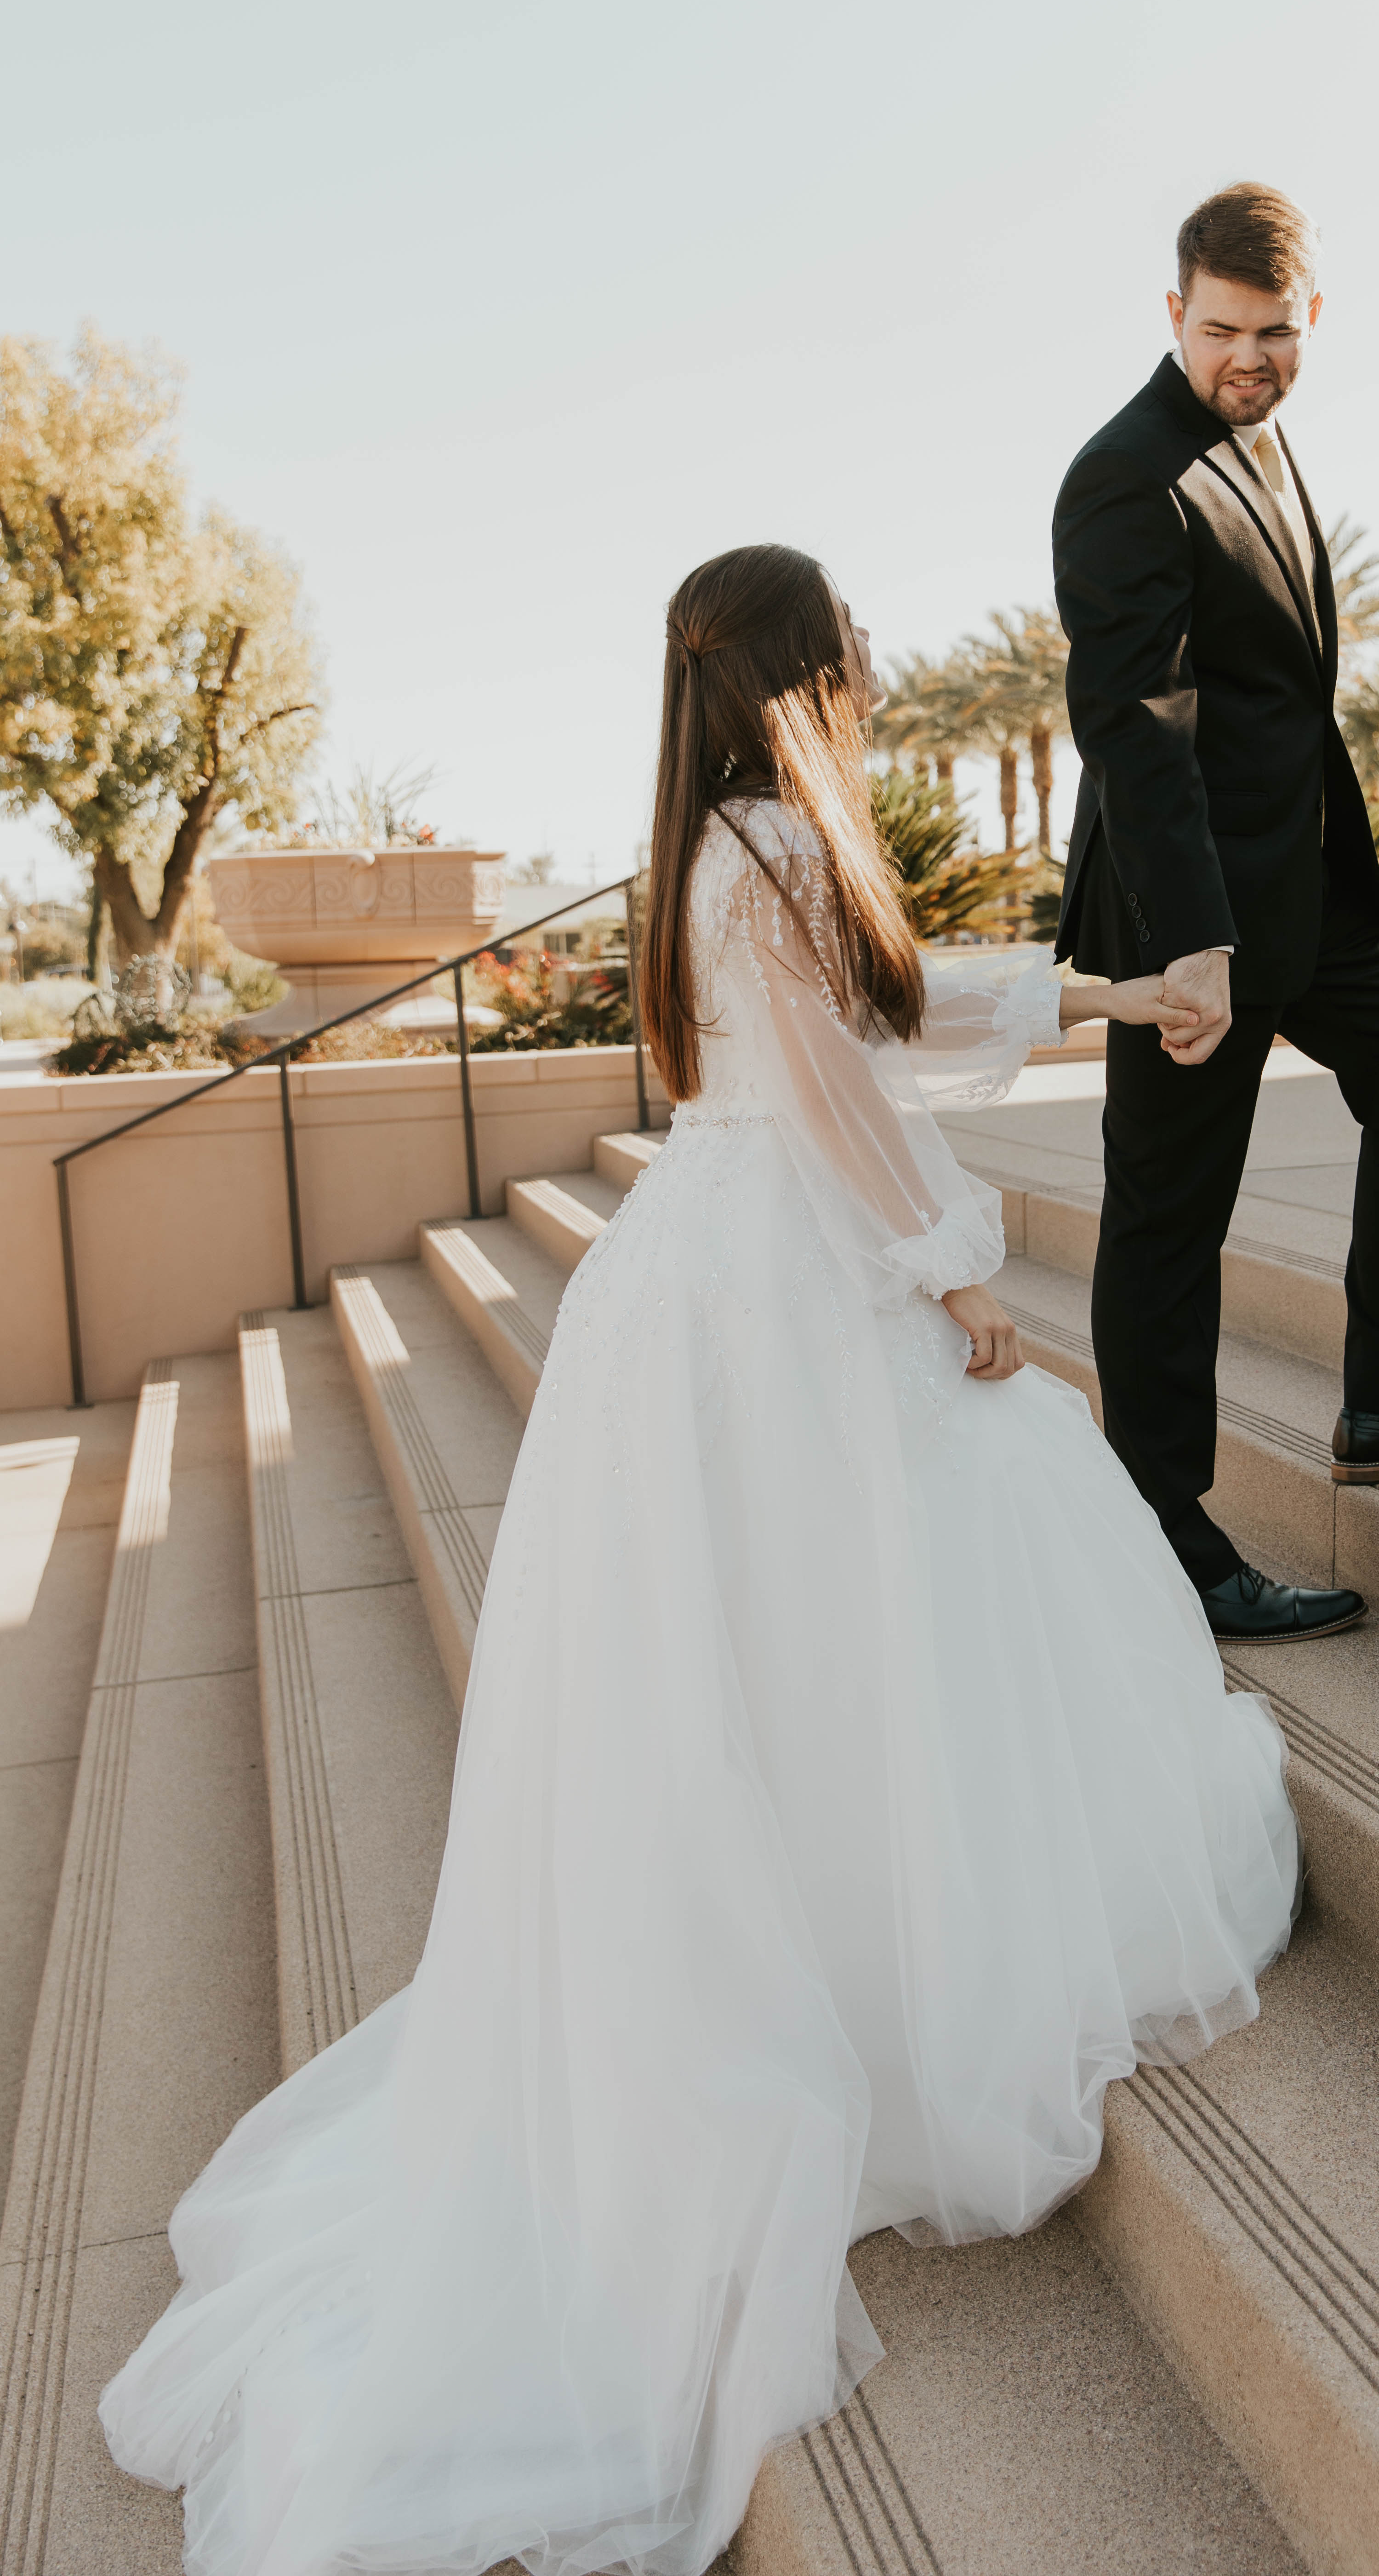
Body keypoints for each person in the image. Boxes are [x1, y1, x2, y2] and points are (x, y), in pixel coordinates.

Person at [100, 542, 1299, 2576]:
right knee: (874, 1608)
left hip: (712, 1282)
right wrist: (945, 1276)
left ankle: (853, 1941)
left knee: (794, 1653)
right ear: (800, 659)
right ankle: (879, 1987)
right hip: (795, 1282)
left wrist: (1122, 994)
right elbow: (840, 1088)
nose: (877, 648)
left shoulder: (725, 843)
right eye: (854, 626)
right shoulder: (771, 845)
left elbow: (891, 1013)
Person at [1054, 181, 1379, 1642]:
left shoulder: (1267, 444)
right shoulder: (1127, 471)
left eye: (1272, 332)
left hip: (1302, 894)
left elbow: (1280, 695)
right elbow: (1135, 721)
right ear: (1174, 313)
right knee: (1169, 1221)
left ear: (1311, 316)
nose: (1246, 358)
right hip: (1186, 911)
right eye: (1219, 332)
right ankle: (1168, 1545)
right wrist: (1193, 938)